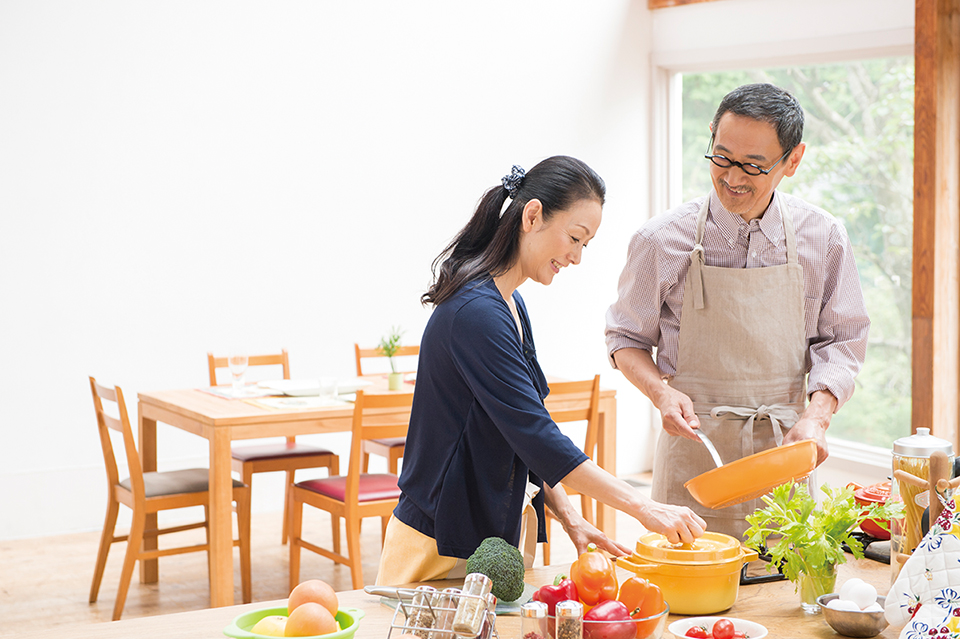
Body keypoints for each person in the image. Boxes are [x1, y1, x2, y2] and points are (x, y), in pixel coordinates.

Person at [376, 156, 706, 586]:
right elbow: (536, 435)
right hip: (438, 542)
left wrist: (570, 517)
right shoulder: (476, 313)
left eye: (585, 245)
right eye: (575, 237)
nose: (576, 257)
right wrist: (644, 507)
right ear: (533, 215)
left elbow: (521, 435)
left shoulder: (511, 304)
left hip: (486, 538)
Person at [605, 83, 870, 539]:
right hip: (694, 458)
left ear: (793, 159)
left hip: (783, 458)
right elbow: (625, 339)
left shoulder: (823, 238)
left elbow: (842, 341)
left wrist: (816, 418)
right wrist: (661, 395)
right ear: (710, 137)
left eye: (753, 165)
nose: (732, 178)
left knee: (781, 597)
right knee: (688, 601)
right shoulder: (661, 240)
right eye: (722, 158)